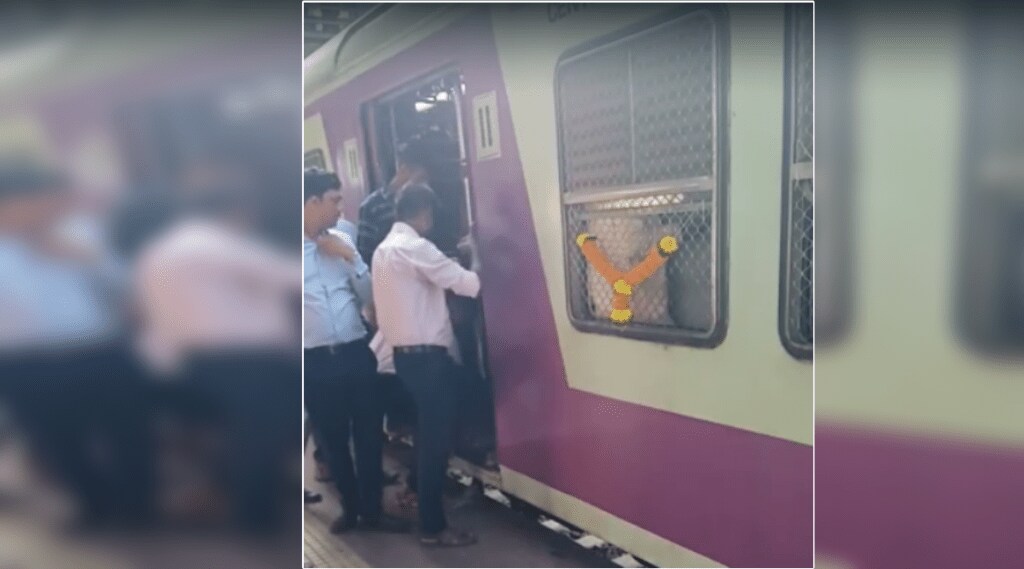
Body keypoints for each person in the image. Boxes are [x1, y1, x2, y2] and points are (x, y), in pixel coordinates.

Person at [135, 158, 301, 533]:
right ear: (238, 210)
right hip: (243, 361)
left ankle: (233, 495)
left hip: (185, 362)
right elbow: (290, 275)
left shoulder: (160, 250)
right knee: (261, 433)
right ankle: (255, 514)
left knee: (237, 433)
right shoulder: (219, 244)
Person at [0, 158, 155, 530]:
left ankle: (140, 507)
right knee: (57, 438)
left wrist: (87, 259)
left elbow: (130, 284)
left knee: (130, 429)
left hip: (101, 350)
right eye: (40, 200)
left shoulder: (81, 232)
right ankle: (94, 504)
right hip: (26, 363)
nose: (51, 207)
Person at [372, 184, 481, 547]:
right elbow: (468, 285)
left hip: (406, 360)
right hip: (428, 362)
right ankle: (434, 527)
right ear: (425, 215)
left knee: (434, 428)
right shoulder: (416, 248)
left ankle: (423, 490)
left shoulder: (384, 250)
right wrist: (474, 254)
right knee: (436, 441)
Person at [303, 168, 410, 535]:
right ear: (311, 202)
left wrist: (350, 257)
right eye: (333, 200)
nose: (339, 208)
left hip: (354, 352)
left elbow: (368, 297)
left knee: (368, 436)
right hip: (314, 362)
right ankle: (350, 511)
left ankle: (373, 512)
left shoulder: (344, 236)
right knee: (333, 440)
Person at [356, 136, 432, 264]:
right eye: (420, 178)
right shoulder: (371, 207)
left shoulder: (422, 201)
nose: (422, 184)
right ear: (404, 170)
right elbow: (366, 255)